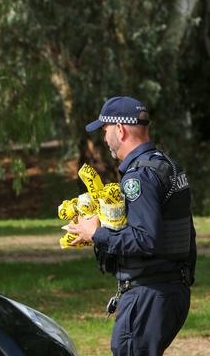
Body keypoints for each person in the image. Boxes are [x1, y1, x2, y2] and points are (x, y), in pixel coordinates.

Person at [67, 96, 196, 356]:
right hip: (171, 289)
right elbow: (183, 232)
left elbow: (146, 238)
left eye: (104, 130)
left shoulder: (140, 177)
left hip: (149, 294)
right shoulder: (167, 166)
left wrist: (96, 233)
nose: (104, 138)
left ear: (120, 129)